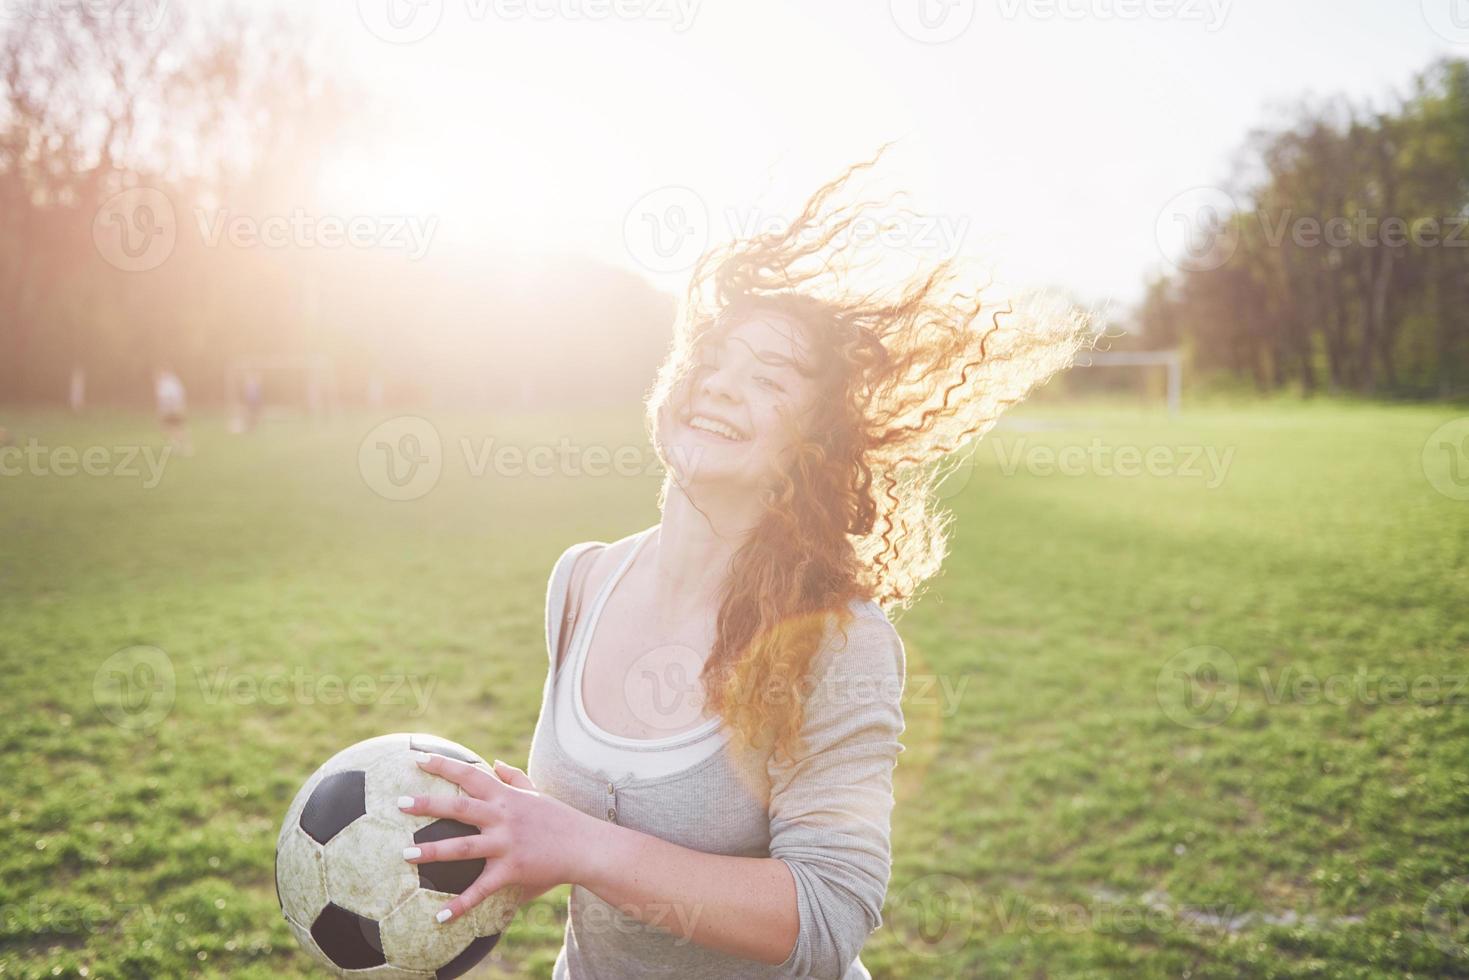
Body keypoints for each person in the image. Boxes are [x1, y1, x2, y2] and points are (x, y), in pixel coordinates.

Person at [395, 152, 1094, 978]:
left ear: (813, 445)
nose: (721, 386)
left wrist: (581, 844)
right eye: (713, 358)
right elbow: (597, 836)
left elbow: (829, 915)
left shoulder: (838, 641)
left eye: (767, 379)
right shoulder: (579, 581)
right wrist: (525, 827)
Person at [154, 366, 192, 456]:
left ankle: (185, 447)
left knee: (178, 429)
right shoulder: (164, 382)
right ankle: (177, 446)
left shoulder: (170, 382)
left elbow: (172, 397)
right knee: (170, 429)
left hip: (173, 409)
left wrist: (172, 408)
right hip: (171, 409)